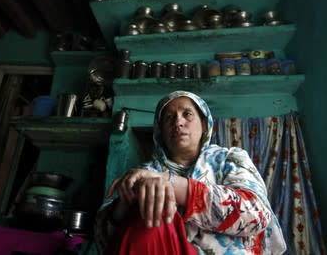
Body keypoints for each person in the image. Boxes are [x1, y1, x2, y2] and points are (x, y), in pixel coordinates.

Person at [95, 91, 286, 254]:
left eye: (187, 114)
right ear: (160, 131)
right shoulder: (144, 173)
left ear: (204, 125)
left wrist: (169, 183)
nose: (178, 122)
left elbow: (256, 214)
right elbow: (104, 240)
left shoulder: (229, 159)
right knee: (150, 202)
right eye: (169, 117)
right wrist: (125, 203)